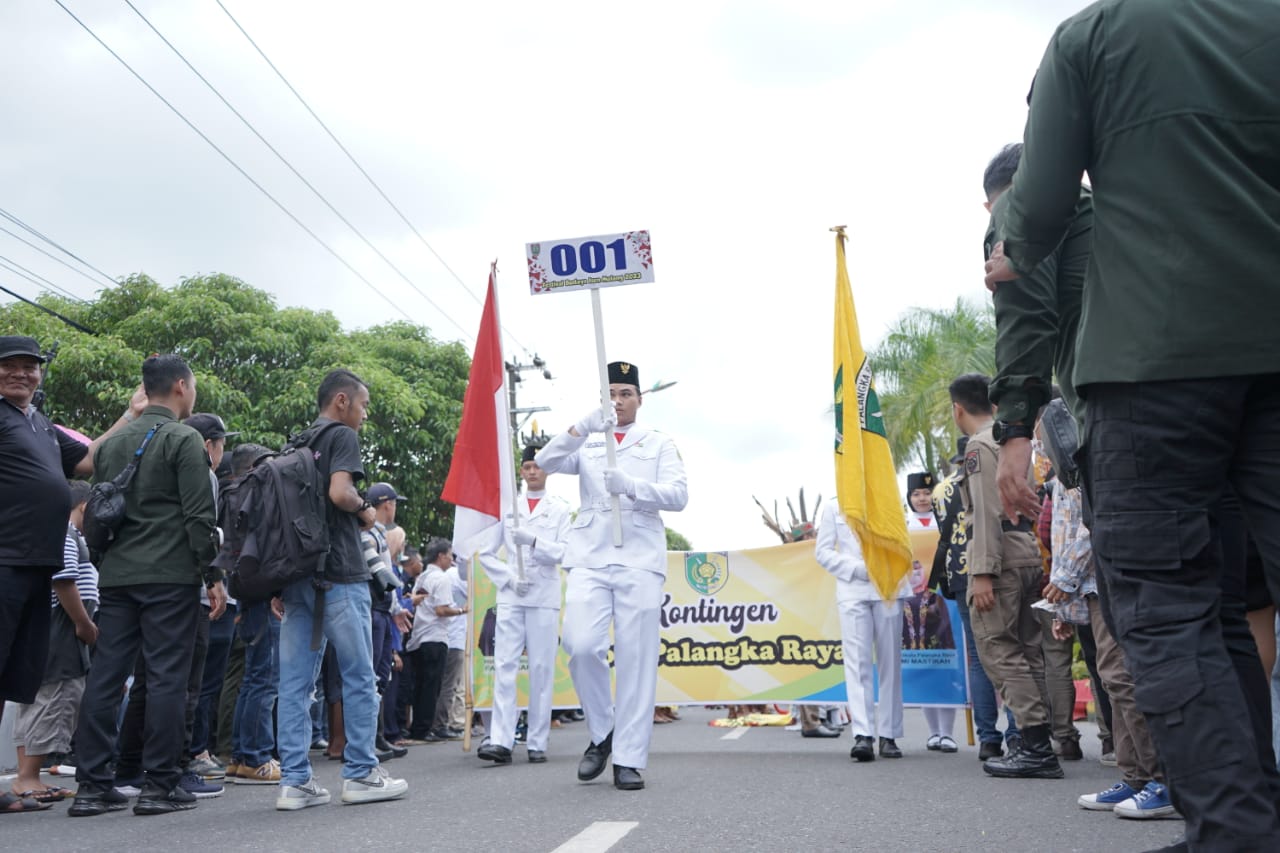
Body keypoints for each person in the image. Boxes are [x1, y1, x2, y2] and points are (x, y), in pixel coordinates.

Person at [70, 354, 222, 817]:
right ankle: (160, 785)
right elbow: (199, 518)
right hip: (170, 578)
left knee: (106, 677)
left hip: (117, 576)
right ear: (181, 386)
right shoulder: (183, 438)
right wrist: (211, 574)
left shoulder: (114, 445)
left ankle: (93, 786)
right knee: (166, 679)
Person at [536, 360, 688, 791]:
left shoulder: (657, 443)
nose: (618, 401)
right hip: (589, 555)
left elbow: (679, 495)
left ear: (640, 399)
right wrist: (582, 425)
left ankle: (629, 757)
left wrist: (634, 487)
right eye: (611, 394)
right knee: (580, 645)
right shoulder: (588, 441)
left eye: (626, 393)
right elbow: (544, 460)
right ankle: (603, 732)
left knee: (637, 659)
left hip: (639, 555)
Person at [273, 369, 407, 811]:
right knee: (358, 676)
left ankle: (294, 782)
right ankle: (362, 773)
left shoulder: (297, 442)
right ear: (343, 400)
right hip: (341, 574)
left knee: (294, 683)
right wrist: (367, 512)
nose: (365, 415)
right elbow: (340, 492)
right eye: (364, 405)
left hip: (297, 576)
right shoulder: (341, 436)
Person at [1, 335, 140, 714]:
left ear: (39, 374)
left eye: (29, 366)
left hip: (36, 564)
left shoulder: (40, 424)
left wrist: (130, 414)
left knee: (10, 674)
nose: (20, 374)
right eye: (8, 365)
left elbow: (89, 461)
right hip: (6, 559)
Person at [112, 412, 235, 802]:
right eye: (220, 443)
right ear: (209, 444)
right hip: (184, 589)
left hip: (135, 584)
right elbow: (201, 529)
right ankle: (175, 770)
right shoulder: (203, 471)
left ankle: (128, 769)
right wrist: (213, 577)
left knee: (145, 683)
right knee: (183, 686)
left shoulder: (145, 458)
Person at [950, 372, 1060, 780]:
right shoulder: (1011, 442)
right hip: (1027, 553)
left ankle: (1034, 747)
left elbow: (984, 512)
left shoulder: (979, 446)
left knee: (1000, 649)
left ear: (957, 409)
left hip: (1000, 559)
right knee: (1029, 653)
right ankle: (1039, 742)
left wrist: (981, 571)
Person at [477, 445, 571, 765]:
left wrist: (533, 542)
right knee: (504, 665)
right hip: (512, 595)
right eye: (528, 466)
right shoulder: (508, 508)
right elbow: (487, 553)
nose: (532, 471)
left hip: (543, 596)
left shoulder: (559, 509)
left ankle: (537, 740)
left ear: (548, 470)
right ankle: (502, 739)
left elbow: (565, 553)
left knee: (541, 670)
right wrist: (506, 577)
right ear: (521, 471)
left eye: (538, 466)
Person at [8, 480, 98, 804]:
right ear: (85, 507)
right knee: (56, 698)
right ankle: (28, 776)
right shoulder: (64, 532)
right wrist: (83, 623)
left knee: (36, 701)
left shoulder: (49, 529)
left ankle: (26, 776)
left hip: (52, 625)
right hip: (63, 626)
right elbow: (63, 580)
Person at [816, 495, 908, 762]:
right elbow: (822, 551)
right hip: (853, 589)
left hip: (888, 585)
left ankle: (888, 735)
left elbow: (903, 541)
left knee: (890, 663)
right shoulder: (836, 504)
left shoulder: (889, 497)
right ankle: (863, 735)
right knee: (858, 664)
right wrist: (857, 569)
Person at [903, 472, 957, 754]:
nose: (922, 499)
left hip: (944, 602)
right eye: (916, 494)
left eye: (927, 493)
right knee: (922, 664)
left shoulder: (947, 521)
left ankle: (948, 733)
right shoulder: (902, 526)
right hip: (912, 606)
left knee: (945, 663)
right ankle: (933, 732)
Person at [403, 538, 464, 742]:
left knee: (420, 685)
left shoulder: (422, 577)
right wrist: (461, 610)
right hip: (436, 636)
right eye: (449, 556)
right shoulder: (442, 578)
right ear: (441, 556)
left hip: (419, 636)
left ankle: (417, 727)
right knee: (431, 686)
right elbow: (441, 609)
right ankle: (424, 729)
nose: (451, 560)